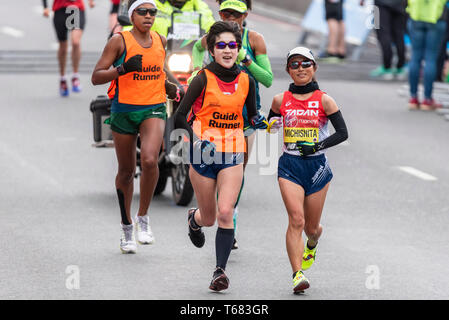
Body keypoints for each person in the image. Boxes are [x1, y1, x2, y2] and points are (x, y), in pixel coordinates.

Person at [174, 21, 266, 291]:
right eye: (221, 46)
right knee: (210, 217)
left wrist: (262, 122)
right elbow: (180, 115)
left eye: (233, 46)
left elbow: (251, 116)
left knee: (226, 212)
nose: (227, 50)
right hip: (203, 156)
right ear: (212, 50)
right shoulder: (202, 78)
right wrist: (197, 141)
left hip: (233, 153)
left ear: (238, 49)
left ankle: (219, 272)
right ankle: (195, 219)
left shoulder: (246, 80)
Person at [91, 0, 179, 254]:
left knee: (151, 160)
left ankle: (143, 218)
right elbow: (96, 76)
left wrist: (173, 87)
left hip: (153, 107)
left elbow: (161, 71)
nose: (149, 16)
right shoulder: (119, 41)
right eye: (143, 11)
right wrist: (122, 69)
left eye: (153, 12)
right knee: (127, 171)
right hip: (124, 110)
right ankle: (126, 226)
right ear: (132, 15)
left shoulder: (160, 40)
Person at [191, 0, 272, 250]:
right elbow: (196, 47)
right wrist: (195, 69)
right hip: (213, 112)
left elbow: (267, 79)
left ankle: (229, 216)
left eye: (236, 14)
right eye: (226, 13)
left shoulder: (255, 39)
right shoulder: (213, 36)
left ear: (245, 15)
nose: (231, 17)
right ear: (220, 13)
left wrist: (246, 60)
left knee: (239, 166)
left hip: (245, 113)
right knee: (214, 167)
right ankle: (213, 212)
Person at [268, 47, 348, 293]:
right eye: (295, 64)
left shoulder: (325, 100)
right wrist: (268, 124)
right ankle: (297, 274)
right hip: (290, 166)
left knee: (311, 228)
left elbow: (343, 133)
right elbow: (271, 127)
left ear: (314, 68)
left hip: (317, 168)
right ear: (288, 70)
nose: (300, 68)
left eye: (305, 64)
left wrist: (317, 145)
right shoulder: (280, 100)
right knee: (296, 220)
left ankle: (313, 241)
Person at [42, 0, 95, 96]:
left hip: (76, 9)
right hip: (60, 10)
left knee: (75, 42)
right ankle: (62, 78)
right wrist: (45, 7)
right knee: (63, 45)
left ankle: (75, 76)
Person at [407, 0, 447, 111]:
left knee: (415, 57)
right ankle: (427, 100)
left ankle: (413, 98)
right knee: (431, 58)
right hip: (436, 17)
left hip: (416, 15)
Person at [360, 0, 407, 80]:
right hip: (401, 4)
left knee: (382, 34)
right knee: (399, 34)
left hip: (380, 4)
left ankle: (387, 67)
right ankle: (400, 67)